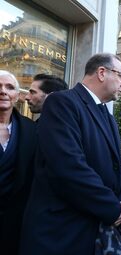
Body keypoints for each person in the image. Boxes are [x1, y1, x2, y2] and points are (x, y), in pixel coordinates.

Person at [19, 53, 121, 255]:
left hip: (94, 231)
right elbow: (68, 167)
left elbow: (118, 166)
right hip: (62, 232)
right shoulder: (61, 103)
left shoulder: (108, 116)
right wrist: (111, 207)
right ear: (101, 72)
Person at [0, 70, 36, 255]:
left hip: (14, 224)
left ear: (17, 96)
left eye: (9, 87)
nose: (3, 91)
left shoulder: (31, 130)